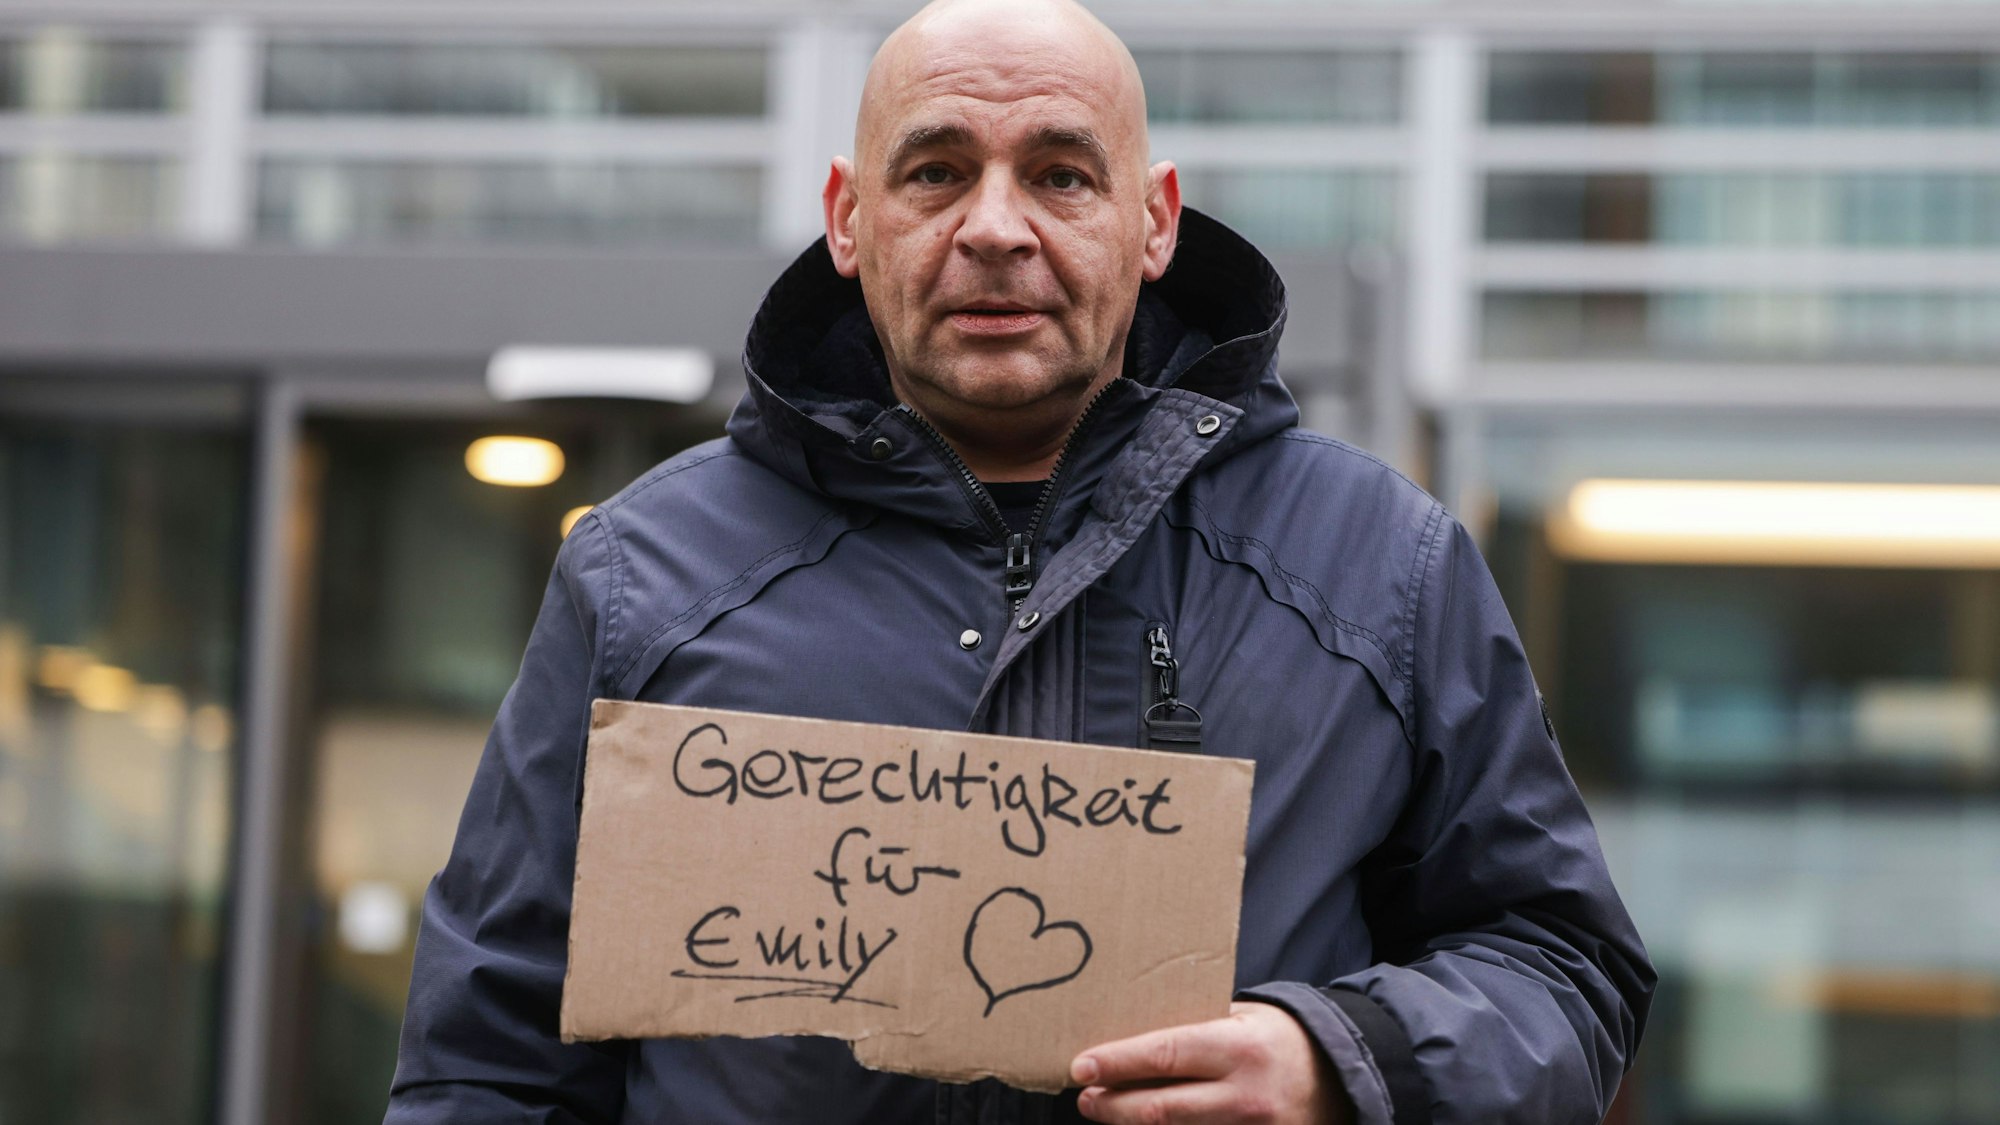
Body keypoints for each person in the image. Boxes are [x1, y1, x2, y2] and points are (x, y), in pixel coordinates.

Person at [384, 0, 1653, 1122]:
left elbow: (1565, 971)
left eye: (1058, 176)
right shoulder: (639, 577)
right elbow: (487, 1062)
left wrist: (1343, 1060)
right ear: (847, 217)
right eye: (935, 173)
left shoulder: (1381, 566)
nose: (994, 228)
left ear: (1152, 220)